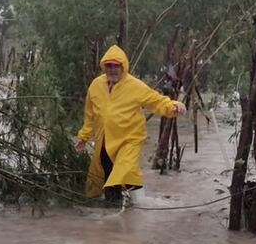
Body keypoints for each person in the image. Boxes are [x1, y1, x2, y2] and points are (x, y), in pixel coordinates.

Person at [75, 44, 186, 205]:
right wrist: (83, 137)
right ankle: (113, 206)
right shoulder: (96, 85)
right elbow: (90, 115)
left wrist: (173, 106)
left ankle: (143, 207)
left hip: (129, 139)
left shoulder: (135, 85)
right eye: (109, 66)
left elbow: (156, 101)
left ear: (123, 66)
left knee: (126, 169)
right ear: (104, 67)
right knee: (106, 170)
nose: (112, 70)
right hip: (104, 140)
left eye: (116, 66)